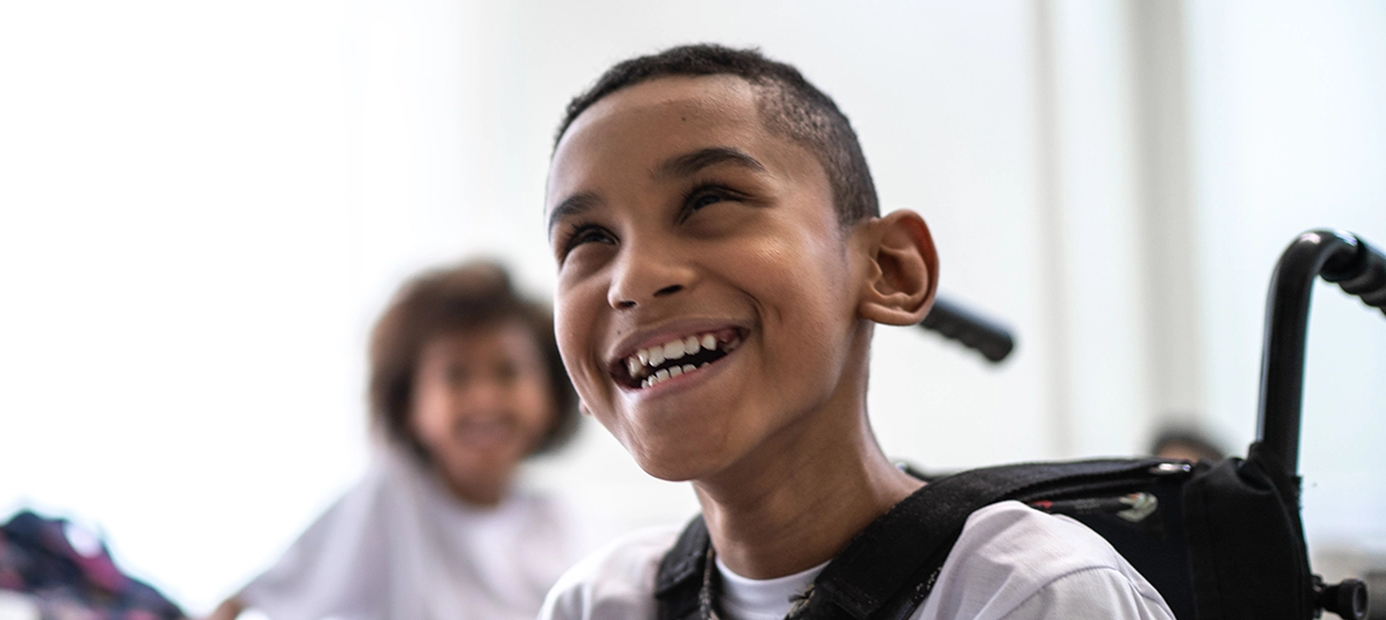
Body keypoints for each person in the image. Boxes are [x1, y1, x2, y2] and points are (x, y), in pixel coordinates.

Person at [537, 44, 1173, 619]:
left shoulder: (1028, 593)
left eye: (708, 200)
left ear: (888, 269)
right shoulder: (597, 605)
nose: (633, 280)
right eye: (588, 238)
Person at [209, 260, 596, 620]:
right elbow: (243, 603)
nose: (483, 398)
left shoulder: (561, 525)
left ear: (552, 396)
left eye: (507, 372)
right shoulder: (389, 496)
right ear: (409, 405)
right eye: (455, 375)